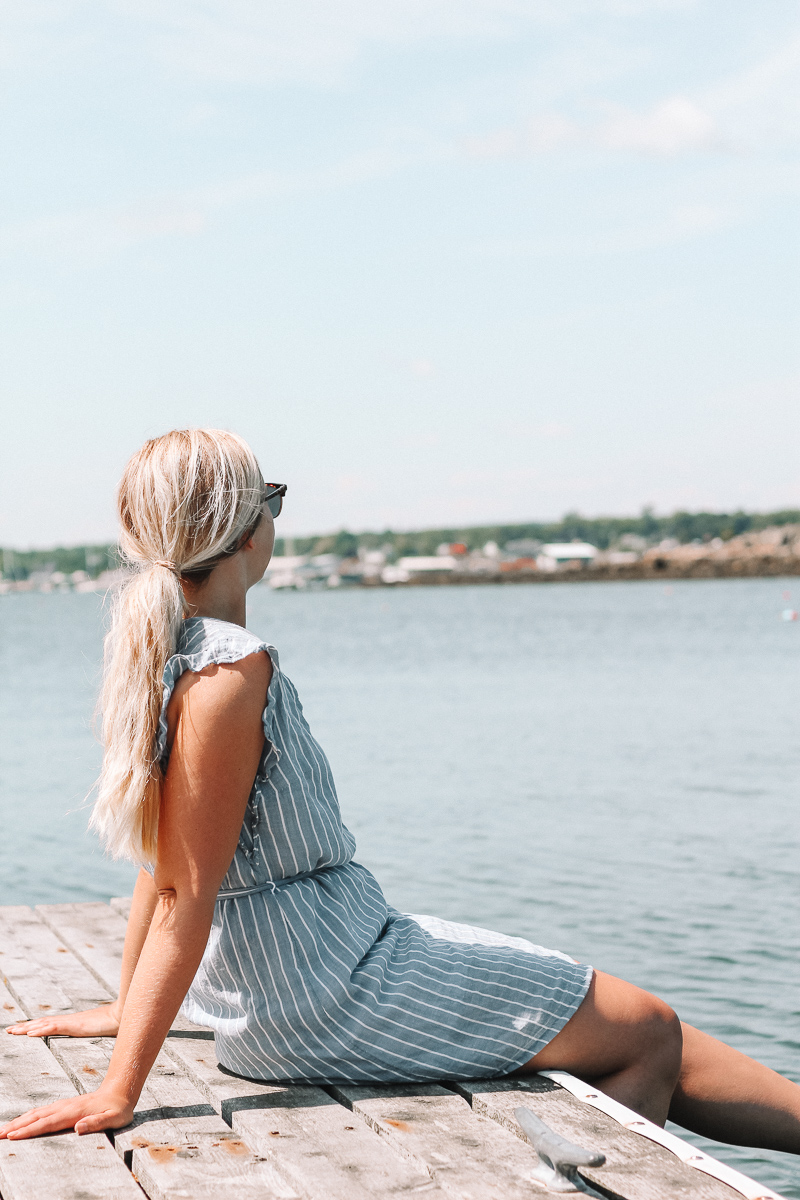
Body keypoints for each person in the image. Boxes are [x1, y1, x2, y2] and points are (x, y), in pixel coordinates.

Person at [2, 427, 799, 1154]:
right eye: (271, 498)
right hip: (325, 987)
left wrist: (125, 1009)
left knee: (649, 1026)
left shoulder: (173, 656)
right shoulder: (228, 673)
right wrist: (120, 1086)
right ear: (250, 529)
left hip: (315, 965)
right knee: (649, 1031)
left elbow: (162, 861)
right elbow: (182, 888)